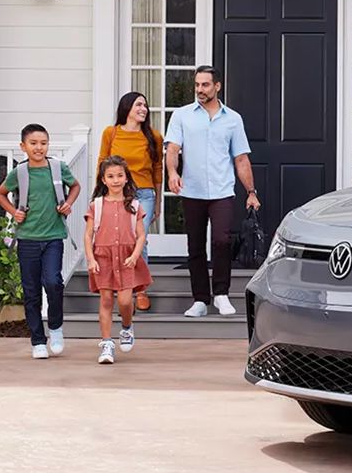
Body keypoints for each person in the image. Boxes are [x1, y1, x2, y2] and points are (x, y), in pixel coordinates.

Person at [164, 65, 260, 318]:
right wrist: (173, 173)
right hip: (192, 191)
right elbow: (172, 149)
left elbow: (241, 159)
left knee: (222, 241)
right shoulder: (182, 115)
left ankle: (221, 294)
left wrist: (251, 191)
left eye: (205, 85)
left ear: (217, 86)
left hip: (222, 190)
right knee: (195, 246)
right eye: (197, 85)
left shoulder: (233, 119)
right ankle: (199, 300)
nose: (200, 90)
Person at [0, 124, 80, 359]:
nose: (39, 147)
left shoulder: (57, 167)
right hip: (27, 239)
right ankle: (37, 340)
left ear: (48, 145)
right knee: (31, 291)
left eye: (43, 143)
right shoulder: (19, 173)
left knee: (53, 282)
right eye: (33, 143)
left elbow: (75, 186)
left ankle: (55, 327)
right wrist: (14, 212)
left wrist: (68, 203)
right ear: (23, 146)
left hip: (53, 236)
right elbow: (0, 193)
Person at [83, 156, 154, 365]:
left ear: (126, 178)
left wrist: (135, 255)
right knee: (105, 300)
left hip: (126, 259)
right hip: (103, 259)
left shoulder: (134, 205)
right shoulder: (96, 206)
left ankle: (126, 326)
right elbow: (88, 236)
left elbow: (141, 235)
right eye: (111, 176)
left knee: (124, 301)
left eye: (119, 176)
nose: (115, 180)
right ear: (103, 180)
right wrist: (90, 258)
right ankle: (106, 343)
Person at [100, 91, 163, 311]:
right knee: (119, 239)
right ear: (127, 108)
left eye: (145, 105)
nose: (143, 109)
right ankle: (121, 287)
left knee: (139, 238)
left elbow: (157, 170)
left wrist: (158, 203)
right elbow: (103, 163)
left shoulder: (153, 136)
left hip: (144, 193)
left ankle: (140, 290)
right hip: (117, 194)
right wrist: (101, 197)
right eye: (139, 105)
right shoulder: (112, 133)